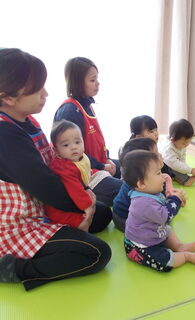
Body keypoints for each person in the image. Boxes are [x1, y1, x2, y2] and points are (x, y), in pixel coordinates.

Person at [0, 48, 111, 291]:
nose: (46, 93)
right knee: (97, 253)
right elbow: (46, 186)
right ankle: (14, 269)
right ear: (8, 97)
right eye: (37, 89)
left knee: (104, 214)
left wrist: (88, 207)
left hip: (43, 205)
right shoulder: (5, 135)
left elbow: (55, 166)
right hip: (19, 223)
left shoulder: (26, 119)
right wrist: (83, 208)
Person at [53, 57, 122, 206]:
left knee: (134, 167)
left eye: (97, 79)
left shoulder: (87, 105)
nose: (98, 83)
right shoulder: (70, 110)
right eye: (92, 80)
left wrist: (107, 158)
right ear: (78, 82)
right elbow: (73, 154)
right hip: (85, 173)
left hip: (98, 164)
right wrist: (103, 167)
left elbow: (97, 140)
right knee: (127, 191)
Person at [122, 150, 195, 272]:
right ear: (142, 183)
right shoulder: (143, 203)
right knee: (163, 262)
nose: (163, 176)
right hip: (141, 246)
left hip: (153, 232)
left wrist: (176, 200)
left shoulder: (150, 191)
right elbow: (166, 216)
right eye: (158, 173)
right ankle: (184, 256)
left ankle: (179, 247)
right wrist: (176, 200)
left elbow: (163, 205)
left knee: (168, 231)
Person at [45, 120, 111, 232]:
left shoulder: (75, 159)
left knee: (105, 212)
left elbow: (80, 182)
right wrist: (87, 207)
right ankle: (78, 235)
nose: (73, 147)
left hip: (72, 201)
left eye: (77, 142)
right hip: (59, 211)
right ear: (56, 150)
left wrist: (87, 189)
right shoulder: (63, 167)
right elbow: (75, 189)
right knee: (82, 222)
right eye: (66, 145)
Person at [113, 138, 186, 232]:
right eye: (155, 155)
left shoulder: (145, 179)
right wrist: (175, 201)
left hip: (133, 212)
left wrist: (174, 198)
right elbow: (162, 215)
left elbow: (161, 198)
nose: (160, 155)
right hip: (123, 218)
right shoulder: (141, 189)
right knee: (160, 228)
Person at [161, 119, 195, 186]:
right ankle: (185, 180)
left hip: (172, 164)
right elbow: (173, 164)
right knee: (176, 167)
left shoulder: (180, 144)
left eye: (189, 142)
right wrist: (190, 170)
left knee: (180, 166)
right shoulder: (168, 148)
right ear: (172, 140)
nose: (186, 145)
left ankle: (175, 177)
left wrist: (185, 168)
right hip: (164, 167)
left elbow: (182, 157)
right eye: (184, 143)